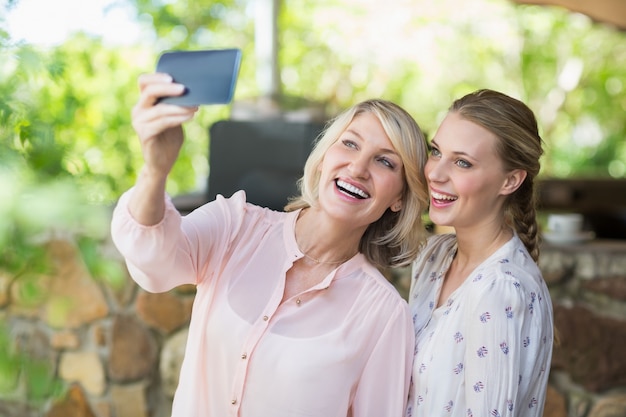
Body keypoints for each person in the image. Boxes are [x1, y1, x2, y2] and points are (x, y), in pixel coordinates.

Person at [110, 72, 430, 417]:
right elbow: (152, 264)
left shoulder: (382, 314)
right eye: (350, 143)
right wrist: (155, 171)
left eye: (385, 161)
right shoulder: (235, 226)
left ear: (399, 197)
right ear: (324, 158)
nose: (358, 167)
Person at [405, 89, 554, 417]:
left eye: (462, 162)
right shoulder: (435, 256)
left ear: (510, 180)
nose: (435, 173)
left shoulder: (499, 288)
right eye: (436, 152)